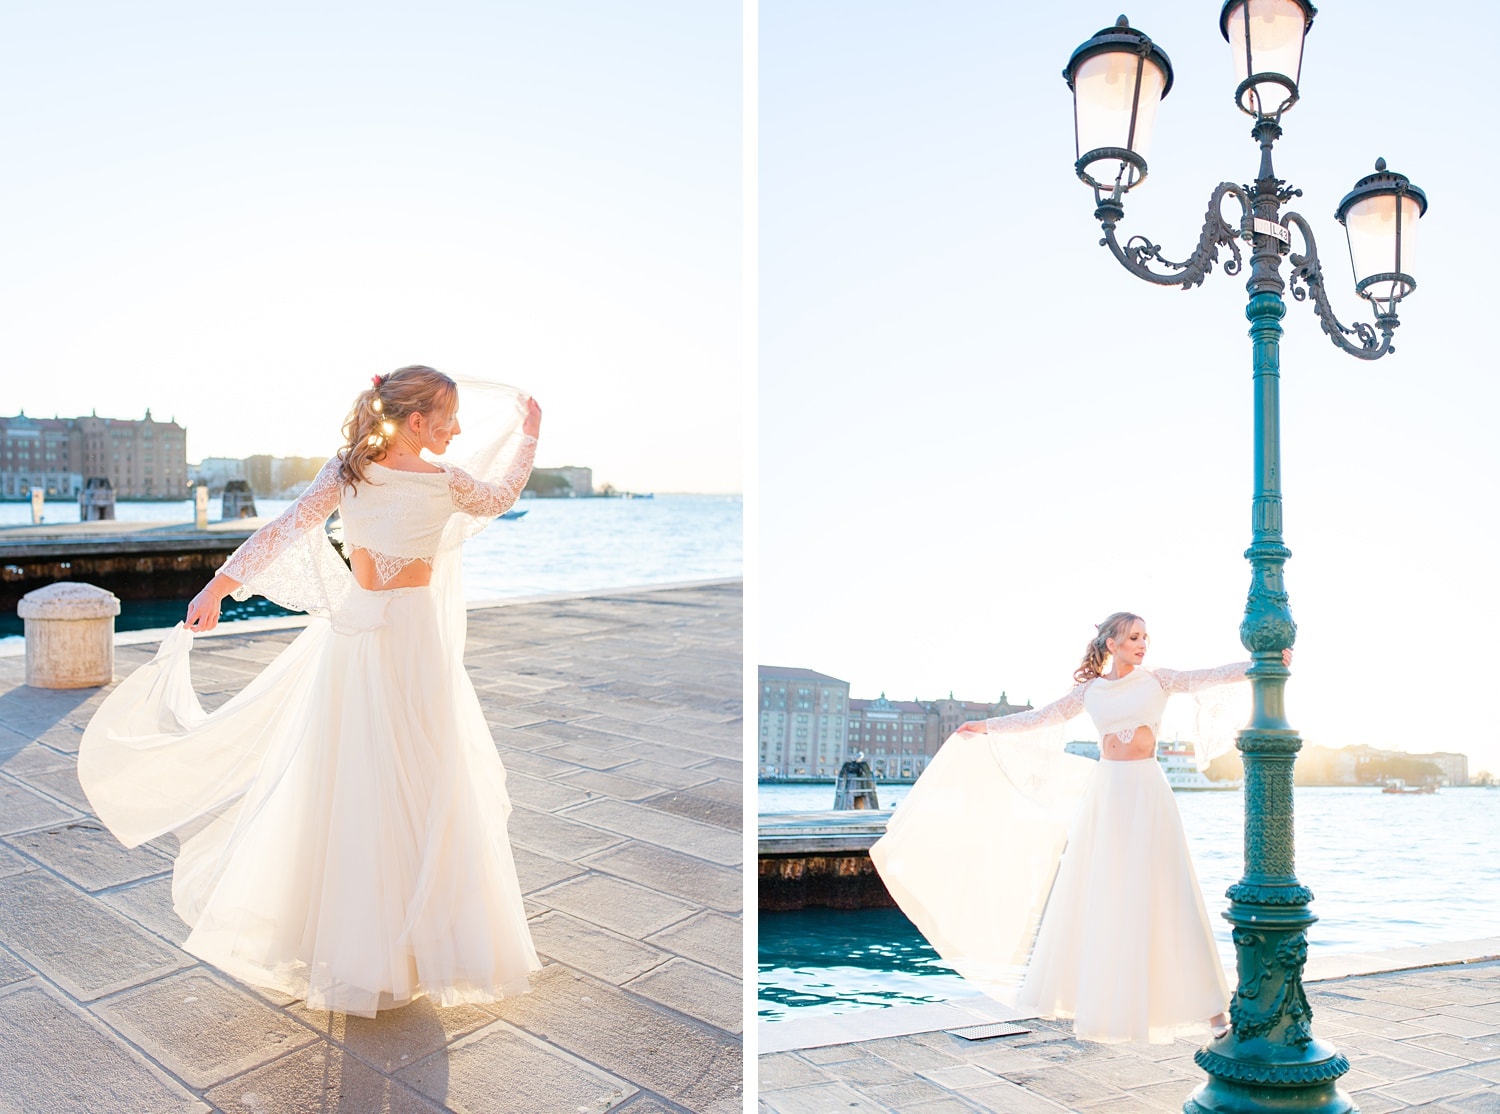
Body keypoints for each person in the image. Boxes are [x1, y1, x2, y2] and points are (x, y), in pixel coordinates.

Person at [79, 366, 543, 1018]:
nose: (459, 430)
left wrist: (220, 585)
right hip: (395, 644)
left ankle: (389, 950)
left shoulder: (358, 472)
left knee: (383, 785)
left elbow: (288, 528)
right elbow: (499, 495)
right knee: (392, 785)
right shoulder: (427, 480)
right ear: (416, 421)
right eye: (449, 418)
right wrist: (531, 437)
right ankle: (392, 949)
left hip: (370, 640)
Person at [871, 611, 1287, 1044]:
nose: (1143, 644)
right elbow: (1039, 717)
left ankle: (1214, 1015)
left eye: (1145, 637)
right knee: (1102, 895)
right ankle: (1106, 1006)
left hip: (1147, 792)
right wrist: (987, 726)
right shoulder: (1089, 692)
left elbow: (1208, 676)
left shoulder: (1158, 680)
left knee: (1168, 888)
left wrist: (1264, 661)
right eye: (1133, 637)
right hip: (1106, 795)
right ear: (1112, 644)